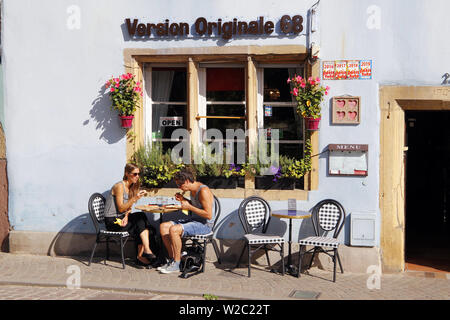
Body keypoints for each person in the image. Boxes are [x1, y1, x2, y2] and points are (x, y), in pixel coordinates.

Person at [158, 168, 214, 274]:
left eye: (180, 184)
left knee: (174, 229)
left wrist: (189, 207)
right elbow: (196, 206)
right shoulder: (192, 190)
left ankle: (177, 263)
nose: (179, 187)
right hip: (195, 220)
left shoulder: (203, 191)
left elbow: (208, 215)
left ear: (187, 181)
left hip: (205, 224)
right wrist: (184, 200)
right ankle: (172, 260)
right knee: (163, 226)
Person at [103, 163, 157, 267]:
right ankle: (143, 255)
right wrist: (135, 198)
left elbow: (127, 209)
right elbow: (121, 208)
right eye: (134, 174)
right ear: (127, 174)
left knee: (141, 218)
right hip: (112, 221)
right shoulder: (119, 186)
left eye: (138, 174)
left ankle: (145, 252)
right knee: (140, 223)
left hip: (121, 218)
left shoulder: (131, 186)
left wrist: (126, 216)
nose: (137, 176)